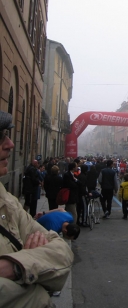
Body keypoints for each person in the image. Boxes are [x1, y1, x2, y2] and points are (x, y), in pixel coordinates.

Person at [0, 111, 73, 307]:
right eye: (0, 136)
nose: (10, 143)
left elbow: (62, 253)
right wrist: (34, 268)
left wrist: (16, 266)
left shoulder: (7, 200)